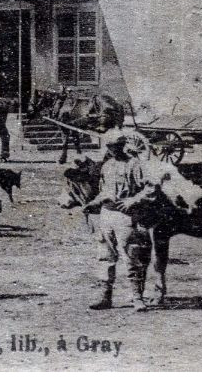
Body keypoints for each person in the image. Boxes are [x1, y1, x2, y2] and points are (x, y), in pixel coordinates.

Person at [83, 128, 157, 312]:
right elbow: (105, 190)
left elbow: (150, 188)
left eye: (116, 146)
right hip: (107, 215)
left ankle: (137, 298)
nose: (112, 150)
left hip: (126, 216)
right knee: (105, 257)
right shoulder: (107, 166)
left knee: (132, 257)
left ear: (123, 145)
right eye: (109, 146)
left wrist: (133, 200)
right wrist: (94, 203)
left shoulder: (135, 164)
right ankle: (105, 297)